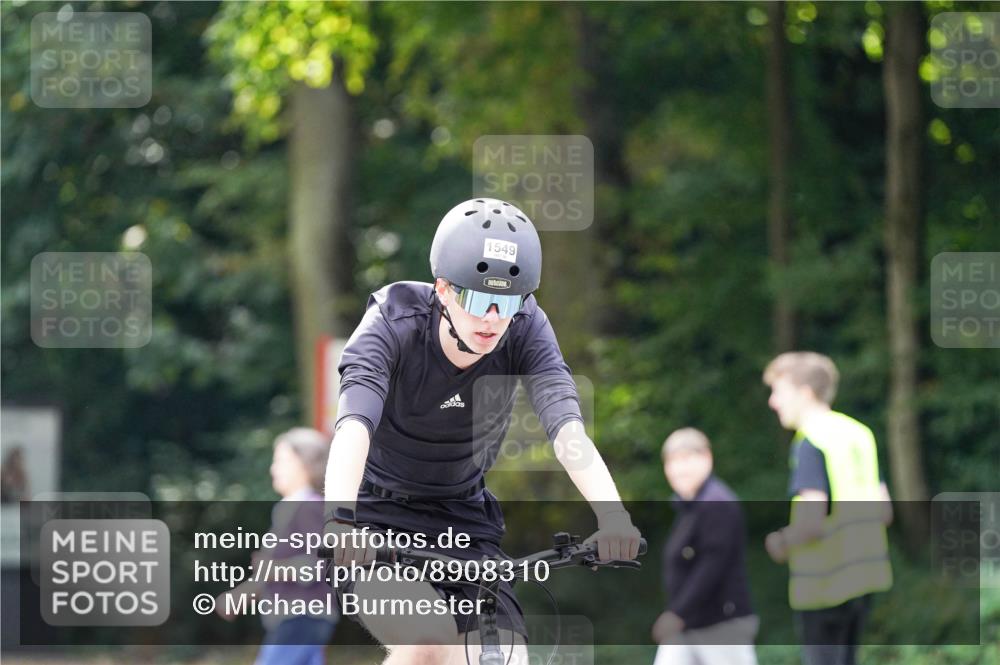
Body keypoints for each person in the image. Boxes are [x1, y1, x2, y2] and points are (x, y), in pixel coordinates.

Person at [322, 198, 642, 665]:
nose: (493, 318)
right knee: (426, 643)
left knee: (504, 659)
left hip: (465, 520)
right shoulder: (393, 322)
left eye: (508, 301)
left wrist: (613, 517)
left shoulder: (526, 328)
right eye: (478, 298)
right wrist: (340, 519)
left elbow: (567, 431)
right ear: (444, 290)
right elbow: (354, 426)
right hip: (375, 517)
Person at [762, 352, 893, 665]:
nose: (773, 402)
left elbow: (811, 522)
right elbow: (884, 512)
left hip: (824, 585)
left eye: (779, 392)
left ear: (805, 393)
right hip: (863, 579)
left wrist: (780, 542)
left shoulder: (811, 442)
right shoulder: (859, 434)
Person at [217, 428, 337, 665]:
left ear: (305, 464)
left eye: (281, 461)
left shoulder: (310, 507)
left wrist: (274, 568)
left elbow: (319, 564)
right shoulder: (287, 509)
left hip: (303, 615)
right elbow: (270, 571)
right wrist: (241, 594)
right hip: (299, 618)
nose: (273, 469)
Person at [652, 428, 758, 665]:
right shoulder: (689, 508)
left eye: (687, 459)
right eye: (672, 462)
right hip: (688, 625)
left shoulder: (716, 502)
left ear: (707, 458)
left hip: (721, 625)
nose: (679, 469)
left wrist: (678, 613)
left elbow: (713, 565)